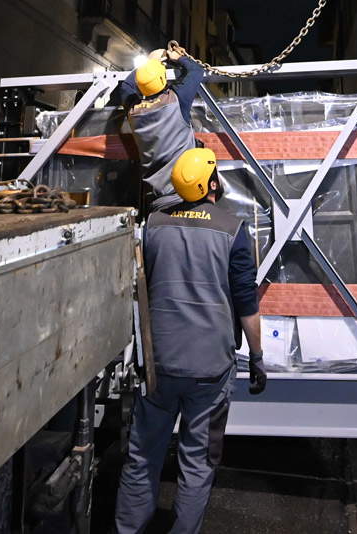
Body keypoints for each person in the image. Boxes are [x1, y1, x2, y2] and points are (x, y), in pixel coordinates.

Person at [114, 148, 263, 534]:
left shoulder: (155, 225)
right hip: (209, 370)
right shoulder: (232, 229)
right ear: (213, 183)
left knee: (142, 456)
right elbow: (246, 303)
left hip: (158, 363)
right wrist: (258, 357)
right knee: (197, 462)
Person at [109, 41, 207, 214]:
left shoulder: (133, 111)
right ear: (162, 79)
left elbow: (126, 86)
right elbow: (197, 70)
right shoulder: (176, 100)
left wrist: (151, 61)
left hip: (156, 198)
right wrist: (177, 58)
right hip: (185, 192)